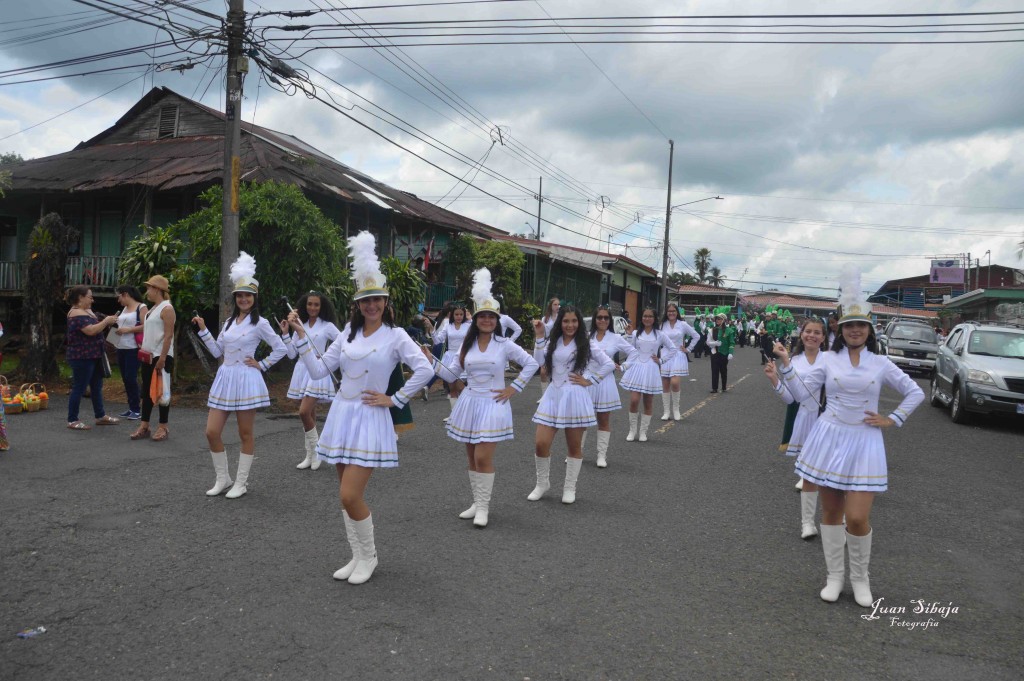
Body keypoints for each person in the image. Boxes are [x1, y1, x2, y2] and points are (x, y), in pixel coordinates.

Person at [286, 231, 433, 584]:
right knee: (343, 494)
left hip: (370, 416)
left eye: (377, 300)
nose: (371, 306)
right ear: (357, 304)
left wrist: (394, 399)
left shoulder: (396, 335)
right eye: (365, 301)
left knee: (350, 493)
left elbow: (426, 368)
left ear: (385, 301)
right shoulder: (347, 335)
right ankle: (356, 556)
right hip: (342, 414)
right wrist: (301, 337)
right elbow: (320, 369)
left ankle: (370, 557)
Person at [774, 266, 924, 607]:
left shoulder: (881, 363)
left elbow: (915, 392)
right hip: (829, 437)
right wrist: (785, 365)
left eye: (861, 325)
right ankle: (834, 577)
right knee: (831, 514)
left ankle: (860, 578)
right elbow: (800, 395)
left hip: (865, 441)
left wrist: (893, 418)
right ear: (840, 330)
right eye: (849, 326)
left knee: (856, 517)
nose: (855, 330)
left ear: (869, 330)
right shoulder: (828, 359)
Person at [425, 268, 539, 527]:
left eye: (491, 316)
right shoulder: (468, 345)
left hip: (494, 403)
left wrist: (514, 388)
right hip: (470, 403)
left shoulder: (504, 344)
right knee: (470, 457)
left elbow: (531, 364)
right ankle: (477, 502)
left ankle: (484, 508)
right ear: (475, 319)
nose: (487, 320)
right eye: (482, 316)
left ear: (496, 319)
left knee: (483, 458)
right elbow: (451, 373)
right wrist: (429, 361)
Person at [193, 253, 287, 500]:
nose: (244, 299)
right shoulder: (227, 323)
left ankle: (241, 482)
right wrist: (203, 330)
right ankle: (223, 478)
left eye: (248, 295)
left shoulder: (261, 323)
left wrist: (262, 364)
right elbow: (217, 352)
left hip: (246, 379)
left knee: (245, 433)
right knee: (211, 432)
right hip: (225, 378)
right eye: (240, 295)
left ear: (254, 299)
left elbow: (282, 348)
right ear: (235, 298)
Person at [529, 305, 614, 504]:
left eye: (574, 321)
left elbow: (609, 364)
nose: (570, 325)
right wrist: (540, 335)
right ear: (561, 322)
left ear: (579, 323)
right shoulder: (553, 341)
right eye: (566, 321)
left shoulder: (587, 343)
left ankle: (569, 488)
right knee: (541, 443)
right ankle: (542, 483)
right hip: (553, 395)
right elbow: (538, 362)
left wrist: (590, 380)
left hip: (575, 395)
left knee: (574, 445)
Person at [764, 317, 827, 539]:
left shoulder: (830, 360)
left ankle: (839, 518)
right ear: (801, 334)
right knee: (810, 475)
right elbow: (793, 399)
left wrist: (785, 362)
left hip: (826, 420)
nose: (811, 335)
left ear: (824, 337)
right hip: (804, 419)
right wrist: (774, 379)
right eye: (808, 331)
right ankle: (807, 523)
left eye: (817, 332)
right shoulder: (795, 360)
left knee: (831, 474)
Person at [280, 291, 341, 470]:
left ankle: (317, 451)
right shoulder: (300, 324)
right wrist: (286, 333)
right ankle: (310, 454)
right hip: (301, 370)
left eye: (316, 304)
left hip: (318, 369)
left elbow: (343, 343)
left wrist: (327, 357)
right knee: (310, 414)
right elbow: (291, 353)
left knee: (303, 412)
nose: (312, 308)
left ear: (322, 307)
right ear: (304, 306)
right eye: (309, 304)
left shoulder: (327, 326)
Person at [587, 305, 639, 467]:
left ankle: (601, 455)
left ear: (609, 321)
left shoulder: (615, 338)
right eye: (599, 317)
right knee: (580, 420)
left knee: (603, 419)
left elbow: (634, 353)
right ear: (595, 320)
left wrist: (623, 367)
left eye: (606, 318)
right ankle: (576, 452)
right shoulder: (586, 337)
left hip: (605, 382)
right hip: (586, 381)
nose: (602, 320)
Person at [65, 286, 119, 430]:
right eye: (90, 296)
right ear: (81, 297)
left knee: (96, 387)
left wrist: (108, 321)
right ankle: (72, 419)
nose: (92, 299)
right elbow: (90, 331)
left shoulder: (87, 311)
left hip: (94, 354)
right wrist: (106, 321)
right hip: (82, 356)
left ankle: (100, 415)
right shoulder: (75, 313)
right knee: (80, 387)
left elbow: (97, 326)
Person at [130, 276, 176, 442]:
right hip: (148, 355)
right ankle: (145, 425)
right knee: (147, 392)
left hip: (160, 356)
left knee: (162, 391)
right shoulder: (153, 308)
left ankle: (163, 426)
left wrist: (162, 358)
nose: (147, 291)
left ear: (157, 289)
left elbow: (168, 335)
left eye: (149, 288)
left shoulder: (167, 308)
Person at [619, 307, 675, 442]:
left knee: (648, 401)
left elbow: (673, 348)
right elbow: (630, 350)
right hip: (636, 368)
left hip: (651, 369)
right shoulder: (636, 333)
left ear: (654, 318)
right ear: (641, 317)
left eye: (650, 316)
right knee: (634, 400)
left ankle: (643, 432)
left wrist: (661, 360)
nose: (647, 318)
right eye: (645, 316)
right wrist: (628, 334)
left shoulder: (660, 334)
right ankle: (632, 430)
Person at [111, 285, 147, 420]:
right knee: (126, 379)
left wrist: (128, 330)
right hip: (121, 347)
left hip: (133, 348)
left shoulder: (141, 307)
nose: (118, 300)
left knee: (131, 377)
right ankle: (132, 407)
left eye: (118, 296)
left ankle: (136, 409)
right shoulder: (124, 309)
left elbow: (146, 325)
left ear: (125, 294)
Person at [659, 302, 699, 420]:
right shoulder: (662, 325)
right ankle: (666, 412)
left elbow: (696, 336)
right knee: (665, 383)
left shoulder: (683, 324)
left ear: (677, 313)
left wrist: (688, 349)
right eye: (669, 311)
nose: (671, 313)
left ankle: (676, 410)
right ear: (666, 313)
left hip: (678, 354)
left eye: (673, 311)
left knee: (675, 382)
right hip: (665, 355)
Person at [434, 303, 470, 422]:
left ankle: (468, 412)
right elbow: (438, 340)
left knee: (461, 387)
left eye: (461, 314)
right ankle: (454, 416)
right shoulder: (447, 326)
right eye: (456, 314)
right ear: (452, 315)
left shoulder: (469, 325)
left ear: (464, 314)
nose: (459, 316)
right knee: (452, 388)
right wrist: (430, 329)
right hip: (450, 357)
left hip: (463, 357)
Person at [706, 308, 736, 393]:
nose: (717, 320)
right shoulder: (712, 330)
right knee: (714, 370)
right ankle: (714, 388)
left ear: (724, 320)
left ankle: (723, 387)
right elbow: (708, 342)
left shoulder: (729, 330)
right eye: (716, 319)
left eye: (719, 319)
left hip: (724, 353)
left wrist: (730, 353)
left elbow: (732, 343)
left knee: (723, 370)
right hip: (715, 352)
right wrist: (715, 343)